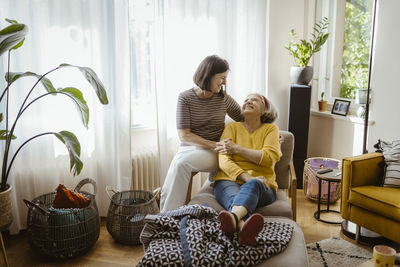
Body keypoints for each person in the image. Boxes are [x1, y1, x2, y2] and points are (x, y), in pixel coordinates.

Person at [160, 55, 242, 212]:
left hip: (213, 151)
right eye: (222, 78)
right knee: (175, 169)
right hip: (190, 147)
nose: (224, 83)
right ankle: (166, 215)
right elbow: (184, 135)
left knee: (181, 164)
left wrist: (270, 131)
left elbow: (245, 117)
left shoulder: (223, 98)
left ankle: (168, 217)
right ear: (209, 75)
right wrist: (215, 144)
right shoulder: (185, 98)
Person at [213, 93, 281, 246]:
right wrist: (246, 177)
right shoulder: (232, 127)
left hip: (263, 185)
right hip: (228, 180)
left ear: (264, 110)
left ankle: (232, 218)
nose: (248, 101)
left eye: (254, 100)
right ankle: (242, 227)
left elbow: (269, 157)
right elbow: (223, 160)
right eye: (245, 100)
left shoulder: (271, 129)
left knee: (255, 184)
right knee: (239, 196)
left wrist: (237, 148)